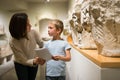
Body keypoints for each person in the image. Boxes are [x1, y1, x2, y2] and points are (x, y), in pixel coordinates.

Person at [9, 13, 45, 80]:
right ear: (19, 27)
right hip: (20, 64)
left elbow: (42, 44)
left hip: (34, 61)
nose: (30, 26)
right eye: (27, 24)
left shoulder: (33, 32)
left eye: (29, 23)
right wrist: (34, 61)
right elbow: (22, 60)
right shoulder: (13, 41)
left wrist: (44, 54)